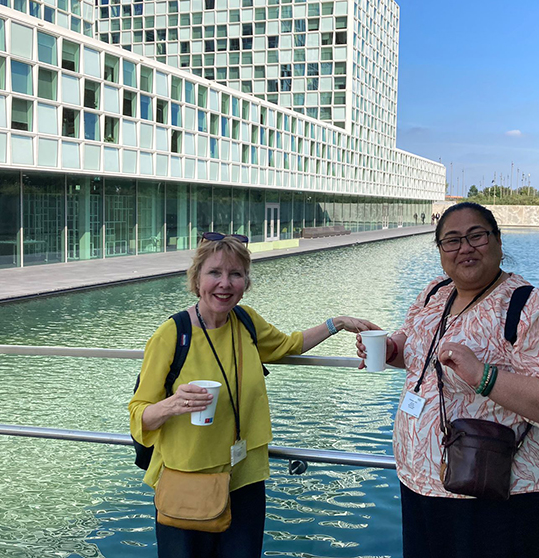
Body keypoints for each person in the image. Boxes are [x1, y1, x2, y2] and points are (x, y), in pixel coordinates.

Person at [357, 202, 539, 558]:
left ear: (498, 242)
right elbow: (418, 352)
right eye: (452, 240)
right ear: (440, 251)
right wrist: (392, 349)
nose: (465, 247)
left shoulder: (532, 307)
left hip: (501, 493)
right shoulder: (436, 294)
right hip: (425, 482)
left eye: (476, 236)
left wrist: (484, 376)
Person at [130, 232, 378, 558]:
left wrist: (338, 323)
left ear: (246, 281)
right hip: (188, 480)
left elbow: (290, 345)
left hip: (244, 478)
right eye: (215, 273)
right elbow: (139, 413)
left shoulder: (246, 322)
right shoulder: (174, 334)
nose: (225, 283)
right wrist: (171, 405)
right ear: (196, 279)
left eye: (236, 274)